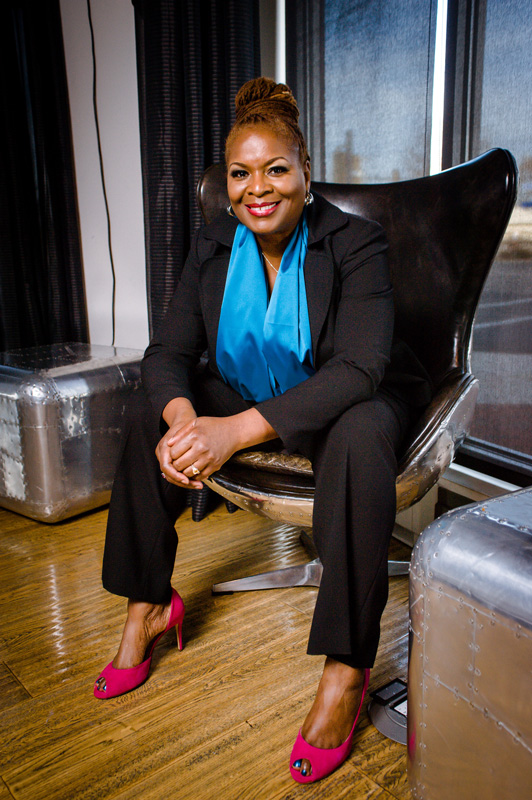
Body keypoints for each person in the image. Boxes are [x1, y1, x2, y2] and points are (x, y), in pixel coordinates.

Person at [94, 77, 431, 784]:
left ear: (304, 169)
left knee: (362, 433)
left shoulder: (355, 242)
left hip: (348, 398)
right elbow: (169, 355)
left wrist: (231, 434)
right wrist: (185, 422)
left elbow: (362, 368)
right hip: (258, 389)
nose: (259, 189)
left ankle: (347, 666)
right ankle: (149, 605)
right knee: (145, 407)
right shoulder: (215, 244)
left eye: (276, 169)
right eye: (241, 174)